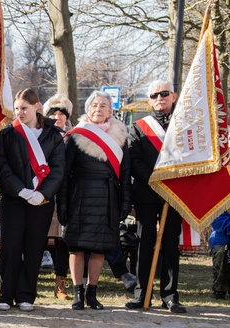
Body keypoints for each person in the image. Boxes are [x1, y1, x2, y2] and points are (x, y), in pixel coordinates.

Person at [0, 88, 65, 311]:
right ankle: (6, 294)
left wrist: (43, 193)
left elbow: (58, 169)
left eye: (24, 108)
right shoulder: (8, 133)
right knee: (10, 247)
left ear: (37, 107)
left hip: (41, 201)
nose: (19, 113)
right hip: (13, 198)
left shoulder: (53, 135)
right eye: (16, 109)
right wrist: (21, 190)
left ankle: (26, 295)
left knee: (33, 247)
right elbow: (2, 166)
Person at [59, 90, 131, 310]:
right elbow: (64, 174)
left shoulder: (120, 136)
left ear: (110, 111)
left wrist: (125, 202)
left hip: (108, 197)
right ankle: (77, 293)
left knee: (100, 248)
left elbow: (125, 174)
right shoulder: (76, 135)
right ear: (87, 109)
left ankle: (92, 293)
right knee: (76, 248)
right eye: (94, 105)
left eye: (103, 106)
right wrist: (62, 204)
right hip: (79, 196)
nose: (98, 109)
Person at [125, 80, 186, 313]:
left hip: (174, 193)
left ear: (173, 96)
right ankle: (142, 293)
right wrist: (154, 180)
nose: (159, 98)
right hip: (147, 191)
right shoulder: (139, 126)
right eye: (154, 95)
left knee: (171, 243)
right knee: (144, 243)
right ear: (149, 100)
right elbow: (134, 158)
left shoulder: (185, 126)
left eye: (164, 93)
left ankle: (170, 295)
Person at [42, 94, 74, 300]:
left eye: (62, 113)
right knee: (37, 239)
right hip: (44, 191)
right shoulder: (40, 134)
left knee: (63, 240)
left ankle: (61, 284)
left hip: (65, 194)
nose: (58, 116)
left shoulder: (74, 136)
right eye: (53, 112)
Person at [210, 211, 230, 299]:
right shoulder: (219, 202)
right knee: (221, 253)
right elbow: (218, 221)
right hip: (222, 237)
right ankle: (219, 289)